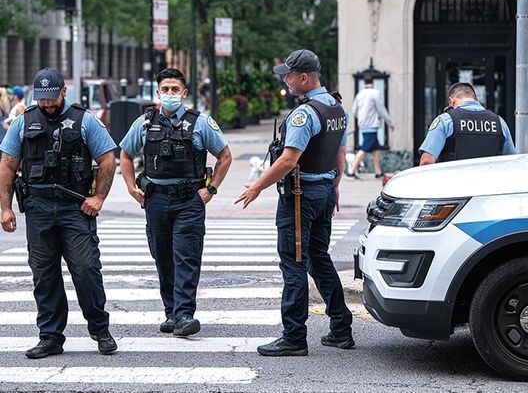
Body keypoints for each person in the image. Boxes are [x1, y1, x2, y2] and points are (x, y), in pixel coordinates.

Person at [235, 49, 354, 356]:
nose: (285, 80)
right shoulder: (338, 108)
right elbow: (340, 155)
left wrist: (257, 187)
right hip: (324, 191)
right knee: (318, 257)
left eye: (288, 75)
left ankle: (294, 337)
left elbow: (288, 160)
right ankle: (341, 328)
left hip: (301, 198)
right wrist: (335, 186)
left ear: (304, 78)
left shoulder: (305, 114)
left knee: (294, 263)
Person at [0, 68, 118, 358]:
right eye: (42, 99)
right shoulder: (23, 121)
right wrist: (5, 208)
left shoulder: (84, 120)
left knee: (86, 269)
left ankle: (100, 330)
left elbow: (107, 160)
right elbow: (7, 165)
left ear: (64, 92)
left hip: (75, 207)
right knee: (44, 274)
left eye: (52, 98)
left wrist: (99, 197)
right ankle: (50, 337)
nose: (47, 104)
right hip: (38, 208)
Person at [119, 68, 232, 337]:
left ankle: (184, 314)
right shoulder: (145, 123)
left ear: (185, 93)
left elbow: (225, 156)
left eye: (175, 90)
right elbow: (124, 154)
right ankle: (171, 311)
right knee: (163, 257)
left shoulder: (201, 122)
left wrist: (211, 189)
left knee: (186, 256)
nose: (170, 94)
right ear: (158, 93)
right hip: (156, 199)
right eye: (165, 89)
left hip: (189, 200)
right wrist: (131, 187)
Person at [419, 82, 516, 165]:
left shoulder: (445, 120)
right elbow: (512, 161)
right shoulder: (499, 122)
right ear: (477, 100)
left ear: (451, 101)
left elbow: (427, 161)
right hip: (490, 185)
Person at [346, 76, 394, 179]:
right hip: (372, 125)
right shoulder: (375, 93)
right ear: (373, 82)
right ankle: (351, 171)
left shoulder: (360, 94)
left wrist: (361, 119)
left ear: (364, 83)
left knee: (375, 149)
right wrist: (389, 122)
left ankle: (378, 172)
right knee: (365, 147)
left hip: (363, 125)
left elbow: (354, 110)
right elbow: (381, 109)